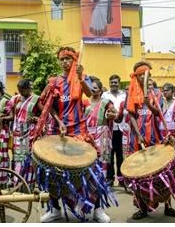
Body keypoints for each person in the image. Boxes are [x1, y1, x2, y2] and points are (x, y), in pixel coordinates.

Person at [31, 47, 112, 222]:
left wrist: (82, 77)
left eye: (68, 59)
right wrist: (58, 121)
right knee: (50, 172)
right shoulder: (54, 81)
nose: (65, 62)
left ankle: (98, 210)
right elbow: (46, 105)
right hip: (58, 132)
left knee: (92, 171)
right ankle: (55, 209)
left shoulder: (82, 77)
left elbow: (90, 93)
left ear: (74, 60)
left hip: (79, 131)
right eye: (62, 59)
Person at [123, 62, 175, 219]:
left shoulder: (157, 93)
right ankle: (142, 208)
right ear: (137, 77)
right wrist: (137, 134)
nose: (145, 78)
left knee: (163, 171)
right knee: (139, 175)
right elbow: (131, 115)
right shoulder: (131, 93)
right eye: (141, 75)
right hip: (138, 139)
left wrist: (148, 104)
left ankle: (168, 207)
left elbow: (159, 113)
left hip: (156, 137)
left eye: (147, 75)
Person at [85, 78, 116, 176]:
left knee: (102, 158)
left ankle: (102, 181)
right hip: (88, 134)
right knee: (88, 157)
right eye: (91, 88)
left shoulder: (106, 102)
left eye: (95, 88)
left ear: (100, 91)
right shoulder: (85, 102)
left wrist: (112, 115)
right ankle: (90, 181)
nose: (92, 90)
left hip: (102, 133)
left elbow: (115, 113)